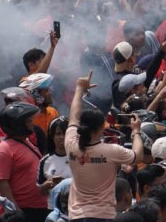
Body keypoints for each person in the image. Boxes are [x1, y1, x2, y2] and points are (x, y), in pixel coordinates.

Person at [65, 71, 144, 221]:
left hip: (76, 215)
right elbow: (138, 155)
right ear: (101, 128)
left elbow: (74, 116)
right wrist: (137, 131)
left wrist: (79, 89)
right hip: (102, 216)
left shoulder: (71, 144)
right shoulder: (111, 151)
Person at [0, 102, 48, 221]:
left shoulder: (26, 142)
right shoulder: (5, 148)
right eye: (28, 121)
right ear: (18, 124)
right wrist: (15, 211)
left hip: (40, 207)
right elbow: (2, 182)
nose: (32, 124)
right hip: (25, 210)